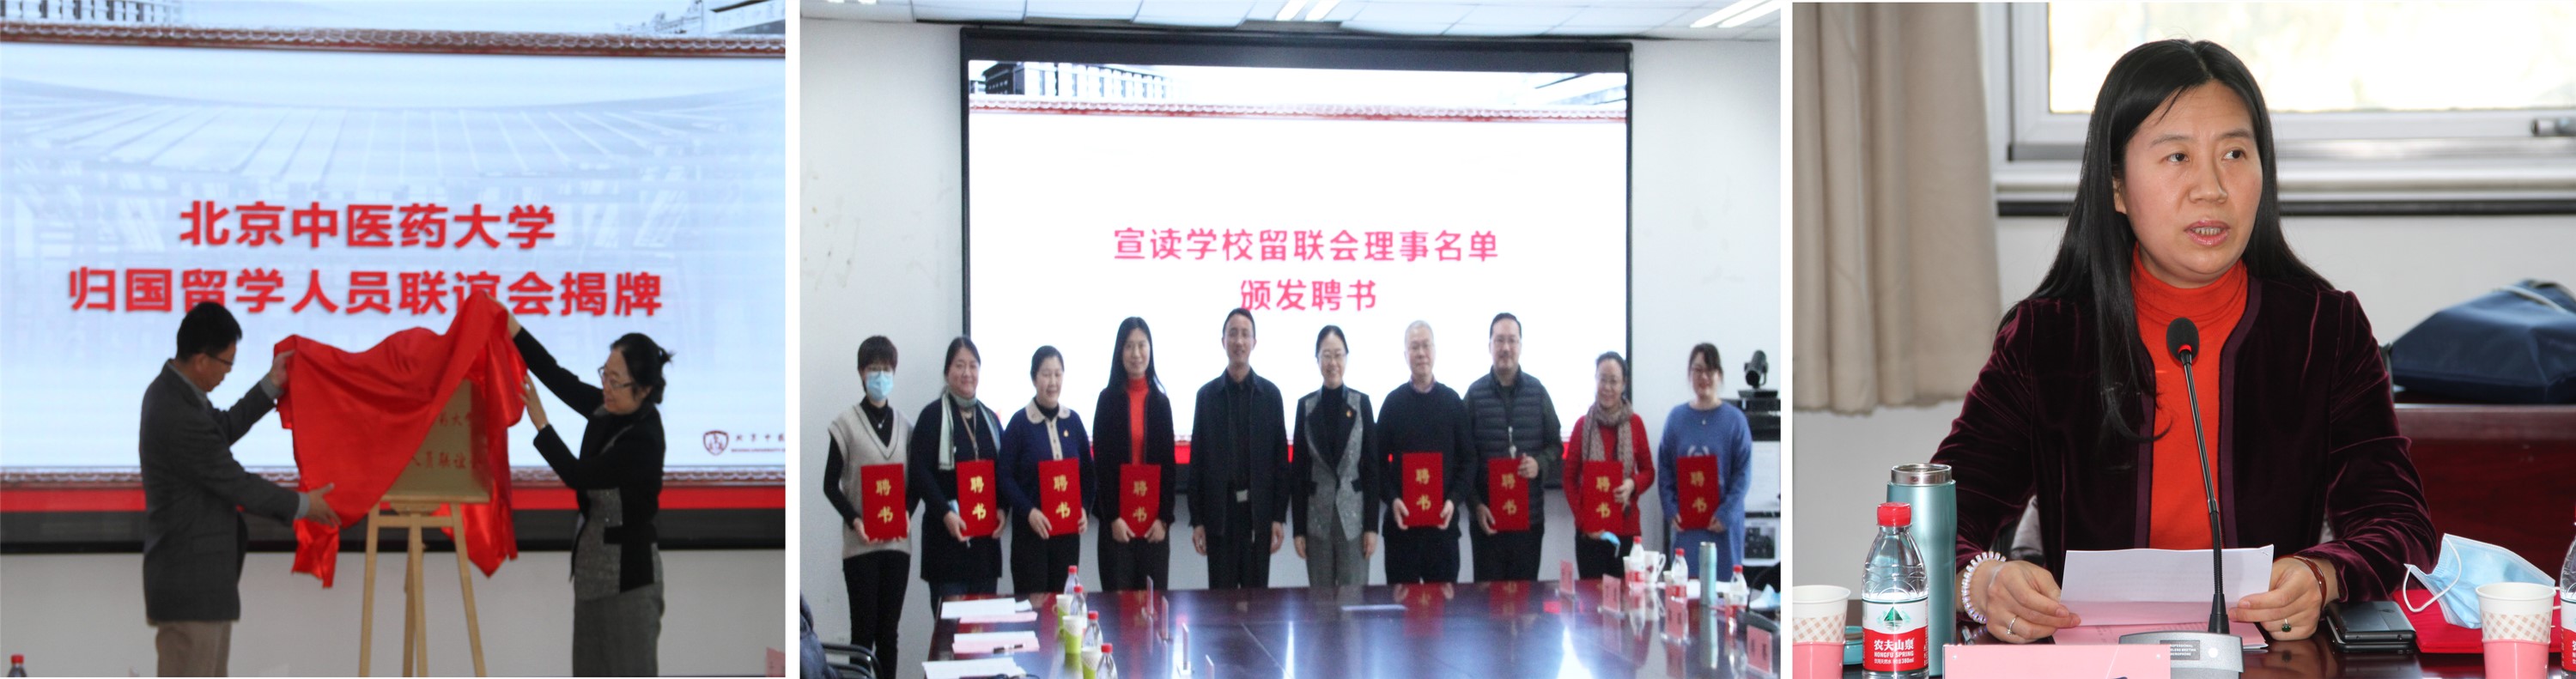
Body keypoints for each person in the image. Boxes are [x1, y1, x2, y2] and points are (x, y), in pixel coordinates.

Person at [1932, 39, 2436, 645]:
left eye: (2235, 153)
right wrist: (1982, 583)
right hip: (2095, 661)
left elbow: (2401, 526)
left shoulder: (2322, 332)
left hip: (2271, 661)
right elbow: (1932, 523)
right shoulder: (2049, 338)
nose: (2211, 188)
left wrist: (2324, 574)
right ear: (2117, 186)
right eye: (2177, 157)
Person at [138, 302, 337, 676]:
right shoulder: (176, 412)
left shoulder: (175, 393)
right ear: (202, 360)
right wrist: (303, 504)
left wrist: (271, 385)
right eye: (227, 363)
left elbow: (222, 428)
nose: (228, 372)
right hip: (191, 587)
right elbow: (235, 483)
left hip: (201, 585)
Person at [512, 315, 672, 676]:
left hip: (630, 583)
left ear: (644, 389)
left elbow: (577, 475)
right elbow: (556, 377)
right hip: (592, 577)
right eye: (605, 375)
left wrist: (541, 424)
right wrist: (514, 330)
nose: (606, 387)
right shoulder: (608, 408)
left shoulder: (644, 438)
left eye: (616, 381)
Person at [818, 336, 909, 679]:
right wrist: (855, 520)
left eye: (886, 369)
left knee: (889, 635)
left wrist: (907, 513)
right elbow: (829, 485)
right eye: (874, 369)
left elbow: (914, 484)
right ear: (861, 372)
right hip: (861, 546)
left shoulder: (905, 426)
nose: (880, 376)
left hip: (897, 545)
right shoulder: (845, 425)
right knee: (863, 635)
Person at [1188, 308, 1289, 590]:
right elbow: (1197, 463)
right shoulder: (1206, 397)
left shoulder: (1271, 396)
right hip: (1220, 517)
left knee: (1258, 603)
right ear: (1223, 341)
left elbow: (1281, 462)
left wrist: (1278, 517)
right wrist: (1197, 520)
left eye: (1245, 334)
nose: (1239, 341)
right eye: (1233, 334)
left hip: (1258, 516)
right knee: (1220, 603)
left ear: (1255, 342)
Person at [909, 336, 1006, 614]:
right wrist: (945, 513)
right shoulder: (931, 417)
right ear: (947, 371)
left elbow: (1004, 472)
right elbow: (919, 473)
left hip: (985, 549)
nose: (967, 373)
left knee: (984, 630)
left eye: (973, 366)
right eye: (959, 365)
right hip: (946, 544)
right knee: (950, 633)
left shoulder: (990, 419)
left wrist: (1003, 508)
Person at [1465, 312, 1560, 582]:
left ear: (1520, 345)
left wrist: (1539, 463)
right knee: (1487, 603)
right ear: (1489, 346)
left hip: (1528, 521)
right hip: (1487, 522)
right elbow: (1463, 459)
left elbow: (1555, 445)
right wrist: (1476, 506)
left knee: (1526, 600)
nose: (1506, 347)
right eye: (1499, 340)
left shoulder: (1537, 392)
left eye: (1512, 340)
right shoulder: (1474, 395)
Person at [1376, 320, 1474, 584]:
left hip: (1442, 531)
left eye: (1425, 346)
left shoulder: (1452, 402)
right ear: (1405, 354)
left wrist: (1453, 500)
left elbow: (1469, 460)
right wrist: (1392, 499)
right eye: (1414, 347)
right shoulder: (1393, 403)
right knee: (1401, 608)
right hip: (1401, 532)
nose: (1421, 353)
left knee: (1442, 608)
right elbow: (1376, 464)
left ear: (1435, 351)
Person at [1090, 317, 1177, 591]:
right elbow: (1101, 466)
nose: (1136, 353)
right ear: (1120, 352)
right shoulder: (1107, 401)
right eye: (1129, 346)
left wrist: (1164, 519)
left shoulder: (1161, 403)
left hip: (1153, 530)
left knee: (1151, 607)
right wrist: (1112, 518)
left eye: (1142, 345)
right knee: (1118, 608)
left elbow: (1169, 467)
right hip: (1118, 530)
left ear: (1150, 350)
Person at [1291, 325, 1381, 587]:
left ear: (1347, 358)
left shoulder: (1361, 404)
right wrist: (1298, 530)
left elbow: (1372, 470)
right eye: (1326, 355)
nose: (1333, 363)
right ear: (1317, 359)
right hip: (1316, 520)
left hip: (1354, 520)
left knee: (1353, 600)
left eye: (1338, 355)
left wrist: (1371, 527)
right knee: (1321, 602)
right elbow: (1299, 472)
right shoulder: (1306, 406)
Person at [1000, 346, 1093, 596]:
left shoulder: (1073, 421)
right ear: (1034, 378)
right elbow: (1004, 477)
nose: (1053, 382)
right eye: (1046, 374)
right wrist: (1028, 512)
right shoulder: (1019, 424)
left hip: (1067, 537)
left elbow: (1088, 474)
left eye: (1058, 374)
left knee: (1064, 604)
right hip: (1031, 536)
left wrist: (1084, 508)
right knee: (1034, 608)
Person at [1658, 343, 1753, 577]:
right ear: (1690, 374)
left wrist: (1726, 514)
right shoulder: (1676, 418)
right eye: (1697, 370)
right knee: (1685, 589)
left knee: (1723, 593)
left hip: (1722, 528)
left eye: (1709, 370)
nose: (1703, 377)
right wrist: (1671, 509)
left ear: (1719, 374)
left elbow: (1743, 475)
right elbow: (1665, 469)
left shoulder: (1735, 421)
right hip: (1687, 527)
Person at [1563, 352, 1653, 579]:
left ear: (1624, 384)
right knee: (1592, 598)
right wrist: (1583, 522)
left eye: (1614, 381)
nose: (1607, 387)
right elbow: (1569, 479)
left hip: (1627, 529)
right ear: (1595, 380)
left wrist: (1632, 484)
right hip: (1590, 533)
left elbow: (1649, 472)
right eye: (1602, 379)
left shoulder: (1635, 424)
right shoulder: (1583, 425)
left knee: (1627, 596)